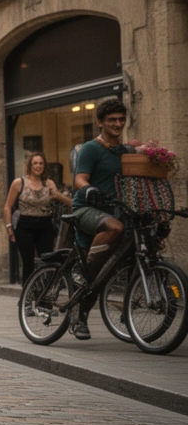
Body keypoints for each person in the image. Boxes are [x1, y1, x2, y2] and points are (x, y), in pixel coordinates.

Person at [69, 98, 144, 339]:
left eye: (121, 119)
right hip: (87, 208)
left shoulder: (124, 151)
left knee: (139, 246)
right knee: (115, 228)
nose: (117, 124)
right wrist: (90, 190)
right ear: (100, 122)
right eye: (112, 120)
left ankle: (127, 312)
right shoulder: (91, 148)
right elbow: (79, 179)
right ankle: (83, 274)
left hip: (117, 211)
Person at [4, 151, 71, 285]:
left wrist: (57, 195)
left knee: (46, 261)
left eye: (41, 163)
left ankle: (44, 293)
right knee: (28, 262)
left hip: (45, 225)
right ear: (30, 165)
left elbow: (69, 202)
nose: (38, 166)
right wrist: (9, 228)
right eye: (35, 163)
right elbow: (7, 206)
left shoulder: (49, 183)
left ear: (44, 166)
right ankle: (27, 293)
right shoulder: (19, 183)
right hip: (25, 226)